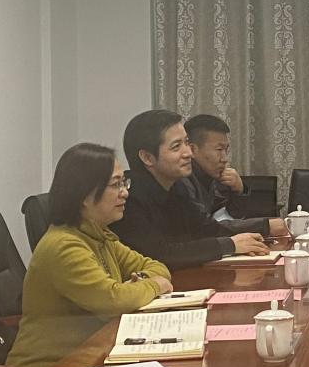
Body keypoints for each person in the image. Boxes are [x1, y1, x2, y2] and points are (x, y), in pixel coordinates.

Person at [6, 143, 173, 367]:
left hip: (90, 358)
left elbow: (156, 267)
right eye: (115, 184)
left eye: (124, 183)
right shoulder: (65, 246)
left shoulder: (98, 235)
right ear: (84, 195)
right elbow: (113, 301)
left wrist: (139, 282)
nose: (125, 192)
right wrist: (153, 285)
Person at [111, 109, 271, 269]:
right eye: (176, 147)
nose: (189, 153)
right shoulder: (127, 197)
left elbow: (206, 229)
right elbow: (160, 254)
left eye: (186, 143)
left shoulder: (176, 186)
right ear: (147, 157)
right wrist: (230, 245)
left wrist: (262, 229)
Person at [182, 114, 287, 237]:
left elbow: (230, 218)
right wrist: (264, 226)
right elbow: (207, 228)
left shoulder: (209, 176)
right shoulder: (182, 181)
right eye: (219, 150)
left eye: (226, 150)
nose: (225, 159)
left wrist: (239, 191)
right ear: (192, 150)